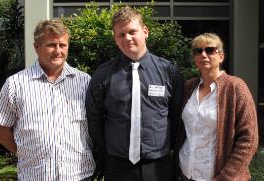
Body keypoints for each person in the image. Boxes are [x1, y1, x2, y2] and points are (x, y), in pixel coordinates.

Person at [86, 6, 184, 181]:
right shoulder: (103, 75)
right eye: (121, 34)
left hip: (158, 166)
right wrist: (107, 153)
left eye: (132, 31)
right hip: (117, 167)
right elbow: (94, 119)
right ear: (115, 39)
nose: (127, 38)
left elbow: (176, 117)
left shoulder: (168, 72)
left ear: (145, 31)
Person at [0, 19, 95, 180]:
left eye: (62, 45)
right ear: (36, 47)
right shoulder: (16, 84)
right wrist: (22, 152)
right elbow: (0, 127)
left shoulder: (84, 82)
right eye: (51, 45)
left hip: (79, 175)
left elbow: (96, 124)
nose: (57, 51)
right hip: (35, 175)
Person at [178, 33, 259, 181]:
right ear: (194, 58)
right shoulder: (189, 87)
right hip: (186, 172)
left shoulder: (235, 87)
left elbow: (249, 139)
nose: (203, 54)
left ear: (221, 56)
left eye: (210, 50)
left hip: (218, 175)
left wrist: (227, 177)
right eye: (198, 51)